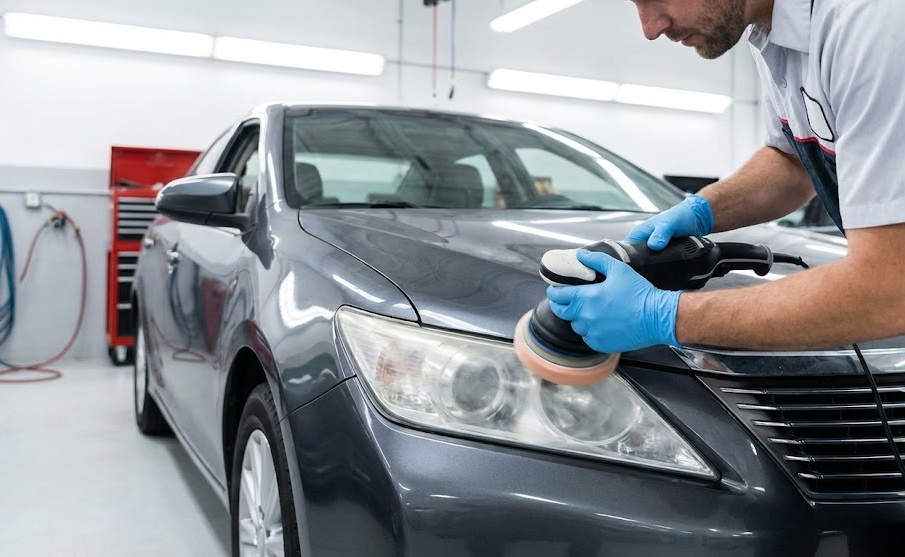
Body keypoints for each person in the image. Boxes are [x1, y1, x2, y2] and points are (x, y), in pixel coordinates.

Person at [547, 0, 905, 354]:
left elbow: (891, 287)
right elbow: (795, 160)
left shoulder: (872, 22)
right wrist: (704, 209)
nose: (650, 29)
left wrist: (667, 317)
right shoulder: (770, 37)